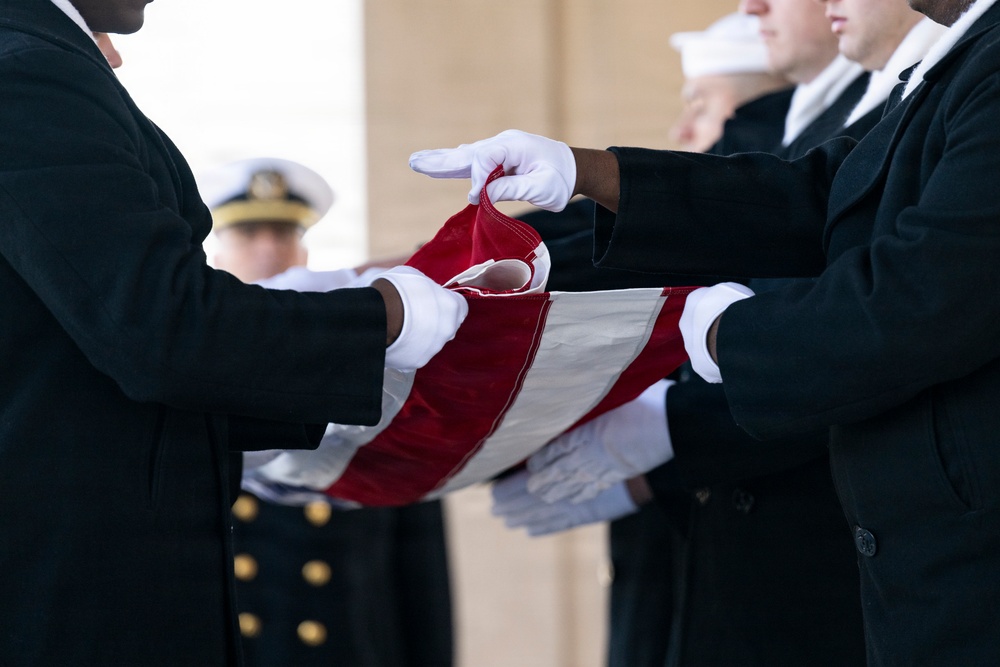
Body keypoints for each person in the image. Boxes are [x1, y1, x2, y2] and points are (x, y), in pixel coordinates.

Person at [408, 0, 1000, 663]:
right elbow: (816, 194)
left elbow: (914, 302)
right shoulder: (965, 60)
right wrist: (588, 172)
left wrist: (731, 336)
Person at [0, 2, 467, 665]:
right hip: (71, 607)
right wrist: (385, 316)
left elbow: (85, 372)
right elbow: (162, 330)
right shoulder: (29, 67)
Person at [201, 156, 454, 667]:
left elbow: (420, 580)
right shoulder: (184, 379)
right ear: (217, 251)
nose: (269, 247)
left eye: (283, 231)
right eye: (248, 232)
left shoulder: (369, 375)